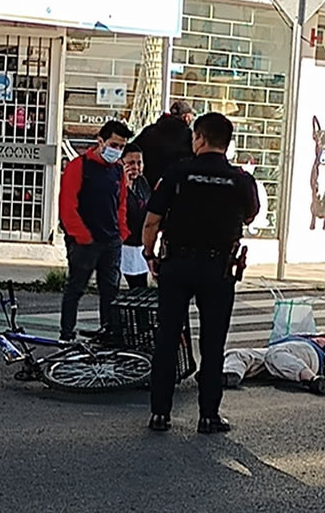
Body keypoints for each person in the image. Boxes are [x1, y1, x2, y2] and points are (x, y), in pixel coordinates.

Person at [142, 112, 259, 433]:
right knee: (213, 344)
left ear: (201, 139)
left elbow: (152, 221)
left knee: (167, 340)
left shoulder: (177, 172)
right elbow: (249, 216)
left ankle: (160, 415)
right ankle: (208, 415)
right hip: (218, 269)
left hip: (176, 265)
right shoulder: (240, 179)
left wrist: (150, 254)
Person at [58, 120, 133, 341]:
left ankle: (108, 332)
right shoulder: (79, 166)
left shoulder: (118, 170)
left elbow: (121, 203)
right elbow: (67, 205)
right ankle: (66, 334)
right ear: (100, 141)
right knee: (75, 289)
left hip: (110, 240)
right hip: (85, 241)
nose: (117, 151)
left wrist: (121, 232)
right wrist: (81, 236)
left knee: (110, 291)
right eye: (114, 145)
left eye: (121, 147)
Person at [222, 334, 325, 395]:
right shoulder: (297, 336)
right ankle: (229, 376)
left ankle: (313, 380)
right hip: (278, 351)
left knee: (275, 355)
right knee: (237, 353)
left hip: (310, 355)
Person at [132, 100, 195, 189]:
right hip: (175, 186)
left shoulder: (149, 131)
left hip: (147, 184)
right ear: (186, 117)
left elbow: (134, 149)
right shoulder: (189, 136)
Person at [120, 143, 151, 289]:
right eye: (131, 163)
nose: (136, 167)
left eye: (139, 163)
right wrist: (124, 186)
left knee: (140, 287)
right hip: (122, 244)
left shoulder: (142, 183)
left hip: (139, 245)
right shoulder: (116, 184)